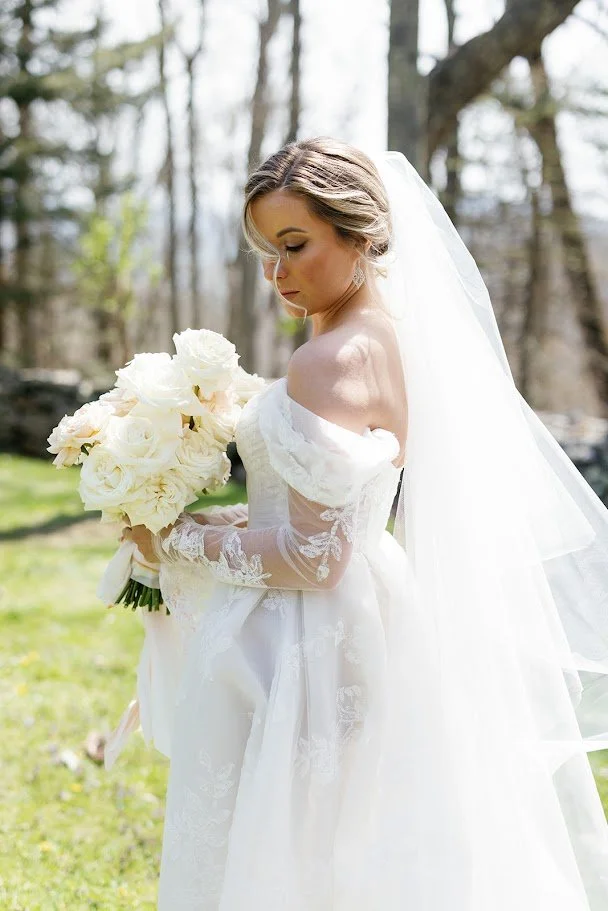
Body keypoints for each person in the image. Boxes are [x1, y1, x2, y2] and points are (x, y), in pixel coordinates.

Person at [125, 138, 608, 910]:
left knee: (294, 845)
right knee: (359, 840)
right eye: (265, 252)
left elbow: (313, 556)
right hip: (375, 608)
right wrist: (221, 513)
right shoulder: (391, 340)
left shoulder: (328, 360)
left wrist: (172, 535)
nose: (277, 274)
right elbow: (331, 509)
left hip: (304, 641)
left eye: (294, 246)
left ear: (363, 237)